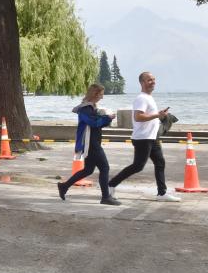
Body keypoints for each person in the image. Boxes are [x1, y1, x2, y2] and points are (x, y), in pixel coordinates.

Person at [108, 71, 181, 202]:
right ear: (142, 82)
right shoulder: (141, 98)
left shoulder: (149, 97)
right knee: (138, 166)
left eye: (153, 79)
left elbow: (149, 115)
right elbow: (138, 117)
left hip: (152, 137)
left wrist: (161, 116)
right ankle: (111, 185)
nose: (152, 82)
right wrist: (157, 115)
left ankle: (162, 193)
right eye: (149, 80)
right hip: (143, 138)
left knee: (160, 163)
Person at [57, 83, 120, 205]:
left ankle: (64, 186)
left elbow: (96, 122)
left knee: (88, 170)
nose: (102, 97)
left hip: (92, 142)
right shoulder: (85, 108)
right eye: (101, 94)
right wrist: (108, 118)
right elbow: (94, 123)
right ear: (94, 94)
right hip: (90, 144)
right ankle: (105, 197)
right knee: (104, 167)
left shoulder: (89, 107)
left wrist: (107, 118)